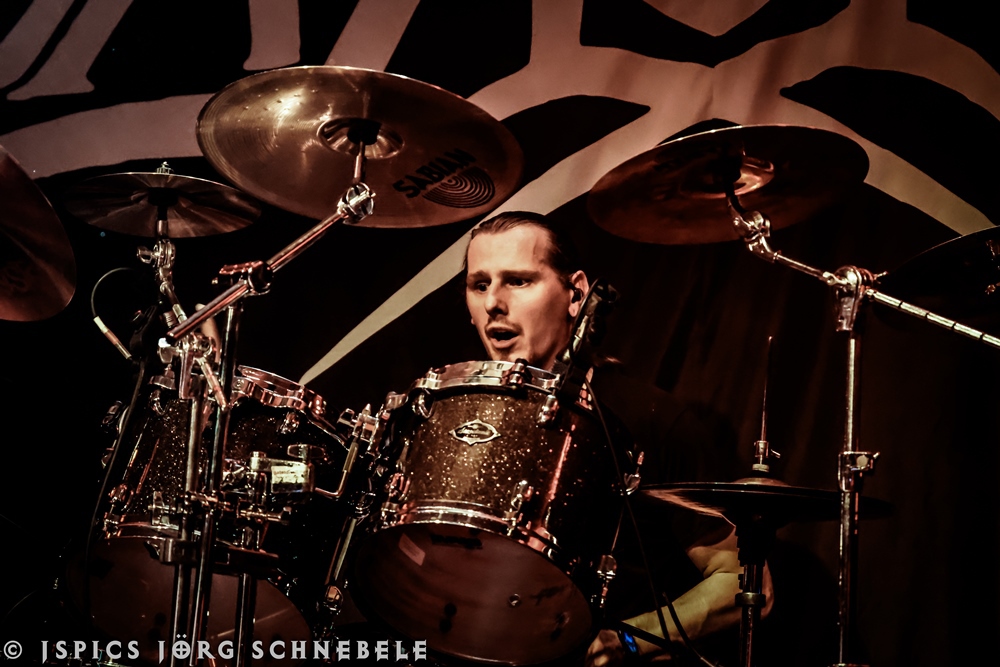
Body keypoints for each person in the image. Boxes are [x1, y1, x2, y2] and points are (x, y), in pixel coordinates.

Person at [463, 210, 773, 665]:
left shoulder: (650, 420)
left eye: (518, 281)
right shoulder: (467, 425)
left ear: (576, 294)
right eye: (479, 285)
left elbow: (744, 584)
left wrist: (625, 642)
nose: (493, 302)